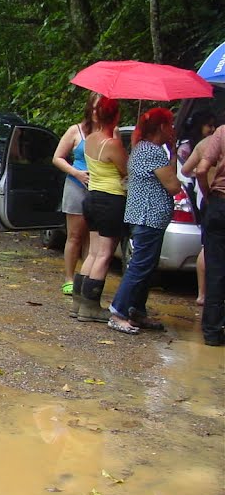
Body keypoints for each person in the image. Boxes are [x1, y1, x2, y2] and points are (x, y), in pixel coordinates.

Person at [107, 108, 180, 334]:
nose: (173, 129)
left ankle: (136, 309)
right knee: (140, 266)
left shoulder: (143, 149)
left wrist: (173, 151)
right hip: (148, 216)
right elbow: (173, 185)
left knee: (147, 267)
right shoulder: (152, 152)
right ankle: (118, 311)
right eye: (170, 124)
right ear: (161, 127)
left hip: (144, 216)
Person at [76, 97, 127, 323]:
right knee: (105, 254)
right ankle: (91, 307)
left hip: (92, 197)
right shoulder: (112, 144)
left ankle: (79, 303)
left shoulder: (90, 139)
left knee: (94, 252)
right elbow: (125, 170)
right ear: (115, 116)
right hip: (111, 198)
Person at [52, 92, 99, 305]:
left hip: (100, 188)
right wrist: (76, 173)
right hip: (76, 185)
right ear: (89, 108)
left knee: (93, 237)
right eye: (96, 107)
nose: (98, 112)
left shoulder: (111, 132)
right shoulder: (75, 130)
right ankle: (69, 278)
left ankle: (87, 279)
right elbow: (57, 158)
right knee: (75, 236)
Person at [186, 124, 225, 346]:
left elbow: (200, 170)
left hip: (219, 203)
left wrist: (208, 194)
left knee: (216, 269)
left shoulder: (221, 132)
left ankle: (212, 330)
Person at [178, 111, 216, 305]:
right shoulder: (203, 144)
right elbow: (187, 170)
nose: (212, 129)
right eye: (208, 125)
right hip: (210, 199)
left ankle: (203, 294)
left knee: (208, 246)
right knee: (208, 247)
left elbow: (187, 170)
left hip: (208, 199)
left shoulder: (203, 145)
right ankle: (203, 293)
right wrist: (203, 179)